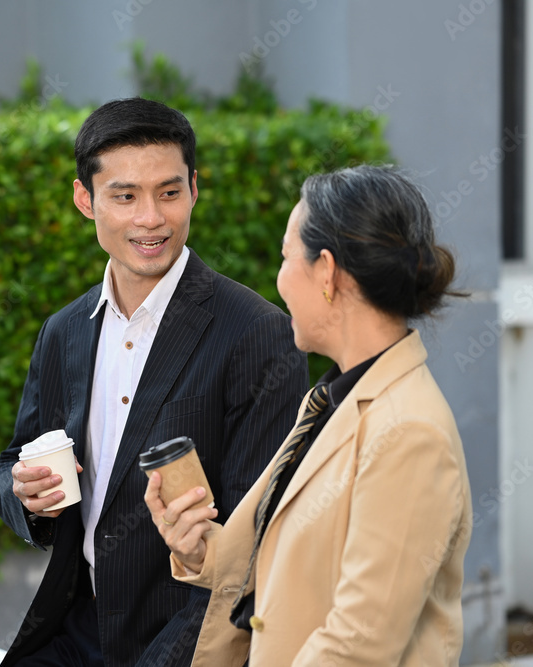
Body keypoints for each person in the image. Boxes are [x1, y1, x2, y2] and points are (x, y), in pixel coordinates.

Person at [0, 97, 308, 667]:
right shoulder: (63, 331)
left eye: (168, 191)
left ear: (194, 187)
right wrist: (28, 499)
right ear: (84, 200)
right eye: (125, 196)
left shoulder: (258, 334)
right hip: (73, 629)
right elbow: (12, 461)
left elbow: (253, 543)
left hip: (184, 640)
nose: (151, 219)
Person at [145, 164, 472, 666]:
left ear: (327, 272)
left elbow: (359, 644)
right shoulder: (332, 400)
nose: (278, 280)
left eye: (285, 256)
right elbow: (282, 561)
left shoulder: (408, 432)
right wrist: (197, 548)